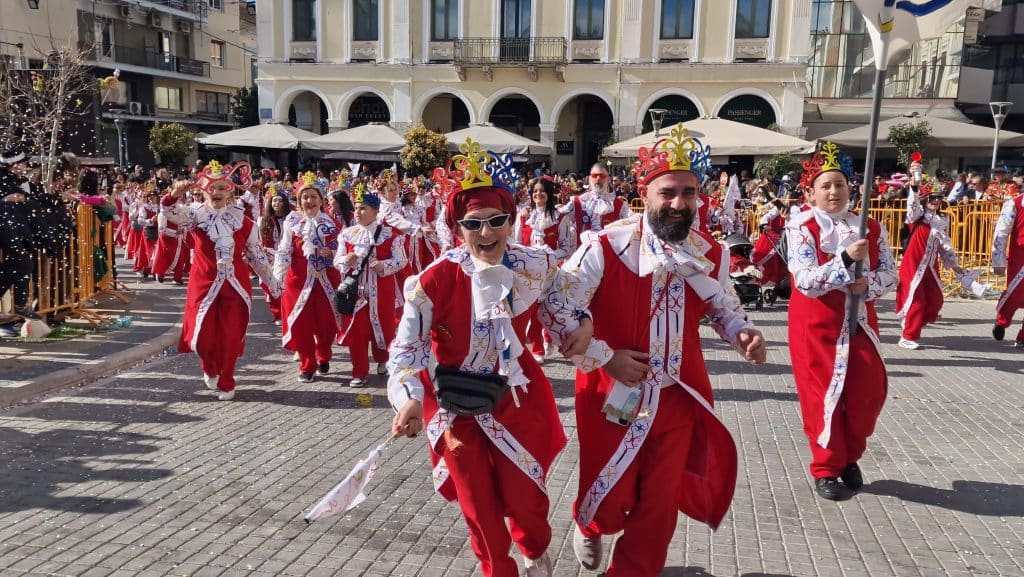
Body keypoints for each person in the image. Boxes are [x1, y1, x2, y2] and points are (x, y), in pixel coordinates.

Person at [543, 124, 766, 577]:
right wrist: (606, 357)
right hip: (610, 393)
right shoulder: (605, 246)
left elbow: (724, 306)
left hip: (678, 396)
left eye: (688, 193)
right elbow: (555, 305)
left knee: (659, 506)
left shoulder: (711, 254)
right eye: (668, 192)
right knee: (611, 494)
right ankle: (591, 521)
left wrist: (743, 333)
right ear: (644, 193)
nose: (679, 204)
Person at [388, 142, 595, 577]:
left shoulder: (535, 265)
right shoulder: (433, 280)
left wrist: (584, 326)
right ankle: (497, 570)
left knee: (525, 497)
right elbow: (406, 351)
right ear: (457, 228)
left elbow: (562, 308)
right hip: (454, 404)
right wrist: (408, 398)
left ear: (511, 220)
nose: (486, 233)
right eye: (473, 224)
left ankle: (534, 550)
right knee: (477, 506)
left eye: (496, 221)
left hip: (517, 397)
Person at [785, 142, 897, 501]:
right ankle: (827, 467)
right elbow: (805, 281)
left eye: (839, 184)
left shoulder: (871, 227)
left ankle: (850, 454)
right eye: (826, 186)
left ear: (851, 188)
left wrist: (869, 284)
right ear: (811, 193)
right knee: (824, 397)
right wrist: (845, 261)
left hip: (859, 322)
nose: (833, 192)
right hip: (816, 325)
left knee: (869, 393)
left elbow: (891, 274)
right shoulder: (802, 228)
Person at [178, 160, 281, 401]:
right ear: (204, 191)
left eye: (222, 188)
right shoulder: (194, 215)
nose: (217, 192)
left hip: (236, 287)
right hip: (203, 284)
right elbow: (171, 215)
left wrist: (275, 286)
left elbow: (257, 257)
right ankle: (209, 366)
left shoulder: (244, 222)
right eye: (212, 188)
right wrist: (172, 196)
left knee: (231, 336)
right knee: (202, 337)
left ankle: (227, 379)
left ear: (230, 191)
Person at [334, 184, 407, 388]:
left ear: (375, 212)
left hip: (382, 291)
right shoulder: (347, 234)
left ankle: (383, 360)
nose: (358, 212)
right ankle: (359, 372)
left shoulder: (389, 235)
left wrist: (384, 265)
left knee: (384, 329)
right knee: (357, 333)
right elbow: (337, 260)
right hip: (355, 293)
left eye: (363, 208)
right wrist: (345, 261)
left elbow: (402, 260)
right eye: (356, 208)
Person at [274, 173, 342, 383]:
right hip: (298, 281)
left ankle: (323, 354)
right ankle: (307, 364)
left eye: (313, 196)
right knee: (300, 324)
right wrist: (277, 277)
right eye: (305, 197)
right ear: (299, 200)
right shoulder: (292, 221)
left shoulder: (332, 223)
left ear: (321, 200)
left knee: (326, 324)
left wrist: (331, 253)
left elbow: (343, 250)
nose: (309, 201)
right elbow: (284, 249)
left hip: (326, 281)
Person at [895, 168, 969, 349]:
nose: (936, 201)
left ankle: (913, 324)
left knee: (936, 301)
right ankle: (907, 336)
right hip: (913, 266)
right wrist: (914, 187)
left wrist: (954, 265)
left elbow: (944, 246)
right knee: (917, 303)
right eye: (932, 198)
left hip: (930, 267)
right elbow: (912, 206)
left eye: (939, 198)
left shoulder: (941, 219)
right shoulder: (916, 217)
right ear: (925, 199)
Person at [513, 176, 573, 362]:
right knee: (531, 310)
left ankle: (549, 338)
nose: (538, 194)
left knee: (549, 308)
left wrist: (549, 256)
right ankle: (537, 348)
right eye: (535, 191)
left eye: (542, 191)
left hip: (551, 271)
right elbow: (517, 243)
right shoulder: (523, 216)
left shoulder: (560, 218)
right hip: (528, 272)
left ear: (549, 193)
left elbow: (567, 247)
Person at [0, 144, 40, 321]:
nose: (27, 166)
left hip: (17, 235)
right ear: (14, 164)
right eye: (24, 163)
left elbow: (35, 202)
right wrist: (4, 200)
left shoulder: (21, 181)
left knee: (25, 264)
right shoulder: (2, 180)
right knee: (23, 265)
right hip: (7, 234)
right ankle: (21, 305)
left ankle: (21, 305)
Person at [560, 162, 631, 251]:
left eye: (602, 176)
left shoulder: (619, 205)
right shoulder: (578, 202)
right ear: (590, 178)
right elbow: (557, 217)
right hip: (583, 255)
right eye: (594, 176)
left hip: (608, 255)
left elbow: (633, 223)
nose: (598, 179)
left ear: (608, 179)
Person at [991, 184, 1024, 348]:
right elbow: (1001, 232)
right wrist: (998, 261)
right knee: (1015, 295)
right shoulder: (1014, 204)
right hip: (1020, 258)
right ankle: (1002, 320)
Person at [260, 185, 292, 325]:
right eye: (274, 200)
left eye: (280, 200)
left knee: (286, 286)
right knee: (270, 287)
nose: (277, 203)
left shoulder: (292, 219)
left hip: (287, 257)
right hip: (269, 257)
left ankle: (287, 312)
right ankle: (278, 314)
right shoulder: (263, 220)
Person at [152, 181, 191, 284]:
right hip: (167, 237)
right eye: (178, 194)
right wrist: (174, 233)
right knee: (166, 256)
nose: (180, 196)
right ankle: (160, 273)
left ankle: (177, 277)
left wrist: (183, 230)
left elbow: (186, 220)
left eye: (181, 194)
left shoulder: (182, 207)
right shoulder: (165, 208)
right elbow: (161, 228)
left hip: (180, 237)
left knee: (181, 257)